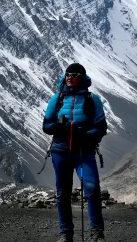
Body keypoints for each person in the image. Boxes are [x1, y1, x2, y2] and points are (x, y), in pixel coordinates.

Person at [43, 63, 108, 242]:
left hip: (84, 151)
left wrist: (85, 135)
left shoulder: (92, 99)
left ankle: (96, 233)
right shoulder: (57, 99)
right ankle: (66, 233)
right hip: (61, 151)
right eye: (68, 74)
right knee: (62, 193)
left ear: (82, 77)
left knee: (92, 189)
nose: (69, 77)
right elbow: (46, 126)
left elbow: (101, 127)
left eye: (74, 74)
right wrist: (61, 127)